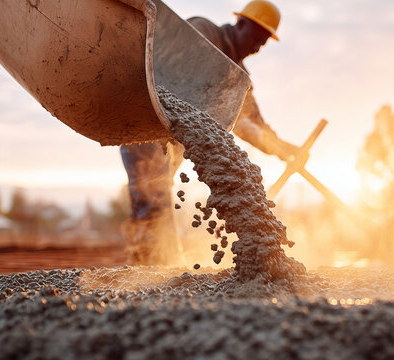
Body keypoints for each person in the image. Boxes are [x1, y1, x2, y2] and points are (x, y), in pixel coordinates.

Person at [120, 0, 299, 264]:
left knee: (156, 193)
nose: (258, 47)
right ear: (240, 24)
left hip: (172, 140)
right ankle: (154, 265)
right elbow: (169, 70)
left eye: (264, 42)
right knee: (151, 194)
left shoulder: (239, 78)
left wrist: (286, 150)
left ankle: (150, 265)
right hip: (146, 124)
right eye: (256, 37)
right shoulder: (204, 32)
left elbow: (252, 125)